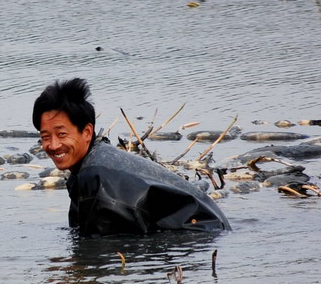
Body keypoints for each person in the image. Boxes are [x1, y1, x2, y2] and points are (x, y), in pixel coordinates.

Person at [32, 78, 231, 237]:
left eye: (62, 134)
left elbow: (103, 250)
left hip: (199, 238)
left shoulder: (96, 176)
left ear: (86, 132)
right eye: (45, 137)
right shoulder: (96, 161)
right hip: (210, 230)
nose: (53, 145)